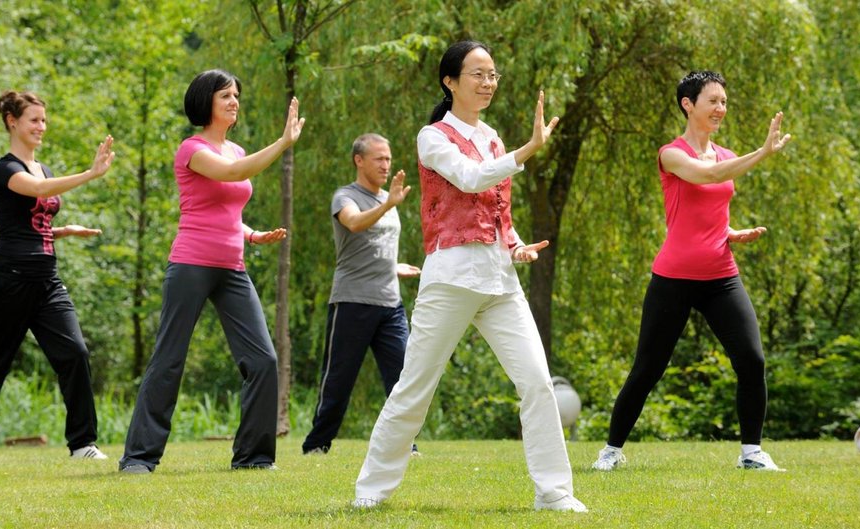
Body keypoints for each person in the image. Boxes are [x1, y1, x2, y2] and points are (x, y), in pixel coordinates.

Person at [353, 40, 587, 513]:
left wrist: (516, 243)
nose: (488, 83)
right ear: (450, 81)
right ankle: (370, 491)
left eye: (493, 75)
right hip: (452, 277)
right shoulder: (432, 136)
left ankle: (554, 493)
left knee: (538, 383)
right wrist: (528, 150)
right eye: (478, 74)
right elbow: (470, 178)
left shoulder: (493, 137)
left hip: (500, 282)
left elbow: (496, 207)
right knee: (415, 387)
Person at [591, 71, 792, 472]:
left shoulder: (726, 152)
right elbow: (710, 177)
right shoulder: (672, 154)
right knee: (648, 368)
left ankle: (752, 452)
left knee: (751, 360)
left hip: (721, 276)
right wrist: (763, 152)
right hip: (674, 279)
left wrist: (732, 232)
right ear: (688, 104)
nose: (721, 108)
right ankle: (611, 451)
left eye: (723, 102)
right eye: (713, 101)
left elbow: (712, 209)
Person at [118, 69, 304, 474]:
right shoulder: (192, 149)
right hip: (190, 264)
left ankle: (253, 458)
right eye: (225, 96)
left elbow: (226, 208)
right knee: (169, 360)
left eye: (236, 95)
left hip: (231, 266)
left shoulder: (236, 150)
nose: (234, 101)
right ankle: (138, 458)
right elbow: (232, 177)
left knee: (262, 360)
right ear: (206, 102)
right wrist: (283, 143)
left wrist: (252, 235)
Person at [0, 90, 115, 463]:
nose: (42, 127)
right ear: (13, 121)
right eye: (34, 120)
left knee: (75, 353)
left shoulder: (44, 168)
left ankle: (82, 443)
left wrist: (63, 231)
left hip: (47, 280)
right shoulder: (7, 169)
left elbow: (31, 220)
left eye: (44, 120)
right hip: (11, 279)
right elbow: (38, 192)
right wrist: (91, 174)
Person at [302, 134, 421, 456]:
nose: (386, 165)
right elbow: (354, 225)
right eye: (379, 159)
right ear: (359, 160)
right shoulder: (345, 196)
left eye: (389, 159)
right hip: (353, 301)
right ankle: (316, 445)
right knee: (338, 381)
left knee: (403, 378)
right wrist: (388, 204)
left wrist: (392, 266)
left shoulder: (388, 197)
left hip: (390, 304)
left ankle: (404, 445)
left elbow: (372, 247)